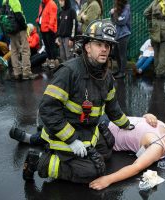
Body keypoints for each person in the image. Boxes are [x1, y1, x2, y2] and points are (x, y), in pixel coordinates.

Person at [22, 19, 132, 184]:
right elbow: (47, 109)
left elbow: (112, 105)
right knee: (94, 170)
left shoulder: (105, 75)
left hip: (87, 130)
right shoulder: (69, 72)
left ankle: (75, 156)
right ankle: (39, 162)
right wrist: (72, 140)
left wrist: (126, 124)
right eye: (99, 44)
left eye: (107, 46)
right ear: (87, 47)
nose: (104, 49)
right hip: (63, 133)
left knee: (107, 152)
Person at [89, 113, 165, 190]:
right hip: (111, 117)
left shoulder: (157, 147)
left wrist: (108, 179)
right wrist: (148, 115)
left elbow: (136, 168)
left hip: (101, 133)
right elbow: (143, 122)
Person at [3, 0, 37, 80]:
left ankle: (17, 73)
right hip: (20, 29)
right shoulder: (14, 1)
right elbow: (18, 15)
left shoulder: (5, 1)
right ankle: (26, 73)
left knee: (14, 51)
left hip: (11, 30)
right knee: (25, 50)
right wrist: (24, 26)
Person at [110, 0, 131, 79]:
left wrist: (114, 15)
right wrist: (113, 14)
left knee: (122, 54)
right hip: (117, 35)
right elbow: (113, 21)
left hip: (123, 34)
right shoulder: (117, 8)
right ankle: (119, 70)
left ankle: (122, 72)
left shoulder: (126, 7)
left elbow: (122, 21)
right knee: (116, 53)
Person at [37, 0, 58, 69]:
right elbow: (41, 14)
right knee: (47, 45)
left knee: (51, 45)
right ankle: (49, 59)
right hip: (43, 28)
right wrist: (38, 20)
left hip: (49, 29)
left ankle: (54, 61)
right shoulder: (42, 3)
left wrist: (50, 27)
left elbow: (53, 17)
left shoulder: (51, 3)